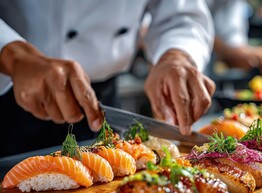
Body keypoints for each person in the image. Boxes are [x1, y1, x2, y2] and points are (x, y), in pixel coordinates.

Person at [0, 0, 215, 157]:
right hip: (9, 97)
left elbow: (181, 13)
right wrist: (13, 55)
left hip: (101, 106)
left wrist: (176, 55)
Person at [209, 0, 262, 70]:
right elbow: (207, 36)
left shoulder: (238, 4)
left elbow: (234, 43)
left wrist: (251, 55)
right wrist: (252, 53)